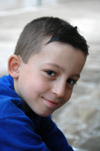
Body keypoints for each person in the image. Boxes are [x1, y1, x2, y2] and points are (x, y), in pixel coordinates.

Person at [0, 16, 88, 151]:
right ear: (16, 67)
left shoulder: (33, 106)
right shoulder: (6, 116)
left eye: (70, 81)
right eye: (51, 73)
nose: (60, 92)